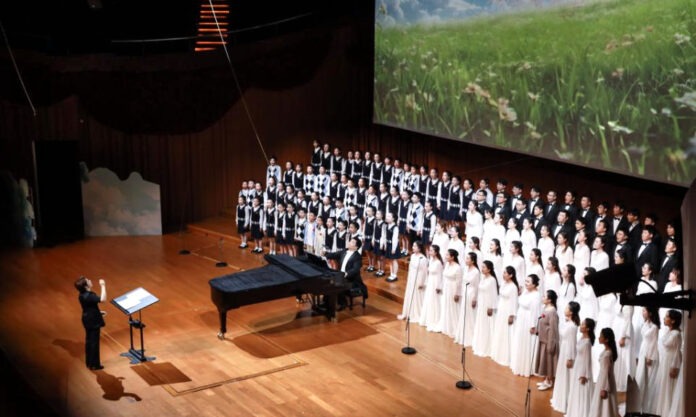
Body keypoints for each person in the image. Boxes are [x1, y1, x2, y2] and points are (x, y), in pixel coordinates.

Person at [550, 301, 580, 411]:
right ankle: (561, 398)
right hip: (564, 349)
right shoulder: (569, 323)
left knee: (567, 375)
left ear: (571, 312)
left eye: (567, 308)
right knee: (563, 374)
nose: (565, 309)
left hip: (568, 352)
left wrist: (569, 358)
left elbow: (572, 343)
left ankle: (566, 401)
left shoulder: (572, 326)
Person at [510, 274, 542, 377]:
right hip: (521, 318)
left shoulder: (537, 295)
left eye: (528, 282)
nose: (526, 283)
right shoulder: (525, 291)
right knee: (519, 339)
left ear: (534, 284)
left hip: (528, 320)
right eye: (526, 281)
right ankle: (518, 364)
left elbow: (536, 312)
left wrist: (533, 325)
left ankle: (527, 366)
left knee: (527, 341)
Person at [323, 238, 366, 310]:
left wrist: (346, 274)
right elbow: (334, 255)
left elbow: (355, 269)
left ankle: (342, 303)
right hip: (341, 275)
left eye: (352, 242)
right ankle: (326, 302)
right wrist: (326, 254)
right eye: (350, 241)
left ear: (356, 247)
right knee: (329, 281)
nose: (349, 242)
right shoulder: (344, 251)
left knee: (337, 283)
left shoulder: (357, 257)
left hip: (351, 279)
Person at [654, 310, 683, 417]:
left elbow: (677, 351)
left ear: (673, 320)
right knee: (664, 384)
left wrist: (674, 366)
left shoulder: (676, 334)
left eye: (667, 317)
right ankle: (664, 411)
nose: (664, 318)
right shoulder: (670, 331)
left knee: (670, 385)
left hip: (671, 361)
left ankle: (669, 411)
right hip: (666, 360)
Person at [565, 318, 596, 417]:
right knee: (576, 389)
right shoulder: (582, 338)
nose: (580, 326)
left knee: (581, 390)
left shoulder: (587, 343)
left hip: (582, 369)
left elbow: (587, 360)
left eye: (583, 325)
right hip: (578, 366)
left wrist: (584, 375)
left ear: (587, 329)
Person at [75, 276, 107, 370]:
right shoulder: (90, 295)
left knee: (89, 341)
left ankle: (89, 362)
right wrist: (103, 285)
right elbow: (103, 299)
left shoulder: (82, 294)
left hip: (87, 318)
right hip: (93, 321)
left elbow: (89, 307)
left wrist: (98, 313)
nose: (90, 280)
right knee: (94, 343)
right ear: (86, 286)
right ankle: (95, 365)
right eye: (88, 281)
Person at [491, 266, 519, 367]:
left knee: (506, 332)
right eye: (503, 272)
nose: (503, 275)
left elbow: (514, 302)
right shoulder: (503, 283)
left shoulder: (513, 287)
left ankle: (506, 356)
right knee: (500, 330)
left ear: (511, 275)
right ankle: (498, 352)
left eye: (505, 273)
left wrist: (511, 315)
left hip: (508, 311)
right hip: (501, 309)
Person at [588, 327, 620, 417]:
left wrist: (604, 388)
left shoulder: (607, 354)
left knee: (604, 402)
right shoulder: (608, 351)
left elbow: (606, 372)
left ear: (606, 339)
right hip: (604, 380)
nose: (599, 338)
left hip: (604, 382)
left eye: (601, 336)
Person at [634, 307, 660, 415]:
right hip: (643, 351)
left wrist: (650, 357)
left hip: (649, 354)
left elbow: (654, 343)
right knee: (640, 377)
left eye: (644, 310)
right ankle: (639, 404)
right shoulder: (646, 324)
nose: (642, 312)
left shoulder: (654, 327)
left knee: (648, 379)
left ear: (650, 312)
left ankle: (647, 406)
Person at [472, 260, 498, 357]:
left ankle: (488, 346)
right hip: (481, 304)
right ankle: (480, 344)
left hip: (487, 305)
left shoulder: (492, 280)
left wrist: (491, 307)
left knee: (487, 324)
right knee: (481, 323)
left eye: (484, 267)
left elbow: (494, 294)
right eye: (481, 267)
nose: (482, 269)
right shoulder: (483, 278)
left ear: (489, 269)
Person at [454, 252, 480, 347]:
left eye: (468, 258)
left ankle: (470, 336)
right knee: (463, 313)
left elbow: (477, 286)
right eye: (466, 258)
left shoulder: (476, 271)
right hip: (465, 292)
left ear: (473, 261)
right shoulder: (465, 268)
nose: (466, 260)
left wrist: (475, 299)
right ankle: (461, 335)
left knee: (469, 315)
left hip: (471, 294)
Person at [397, 241, 428, 322]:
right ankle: (409, 313)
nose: (413, 247)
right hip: (412, 278)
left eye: (415, 246)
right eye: (413, 246)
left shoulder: (423, 259)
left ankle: (417, 314)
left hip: (419, 279)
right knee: (410, 295)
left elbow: (425, 272)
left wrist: (422, 283)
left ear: (419, 248)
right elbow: (410, 269)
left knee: (417, 297)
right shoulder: (413, 256)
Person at [536, 290, 560, 391]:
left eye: (544, 296)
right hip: (543, 338)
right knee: (544, 361)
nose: (542, 298)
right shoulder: (546, 308)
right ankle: (546, 379)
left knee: (549, 361)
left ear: (549, 300)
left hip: (548, 340)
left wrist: (551, 343)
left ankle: (549, 381)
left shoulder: (552, 311)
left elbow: (553, 329)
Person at [418, 244, 444, 332]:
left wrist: (439, 286)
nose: (429, 252)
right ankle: (428, 318)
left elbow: (440, 275)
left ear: (436, 252)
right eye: (429, 250)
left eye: (431, 250)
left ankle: (435, 319)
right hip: (430, 282)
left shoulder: (438, 263)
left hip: (435, 283)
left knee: (434, 301)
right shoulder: (431, 260)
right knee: (429, 299)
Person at [439, 249, 463, 338]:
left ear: (452, 257)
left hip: (453, 288)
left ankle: (454, 328)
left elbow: (459, 282)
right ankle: (446, 326)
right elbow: (444, 277)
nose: (446, 256)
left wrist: (457, 294)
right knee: (446, 306)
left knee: (453, 307)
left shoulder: (457, 267)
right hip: (446, 287)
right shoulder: (447, 265)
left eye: (447, 255)